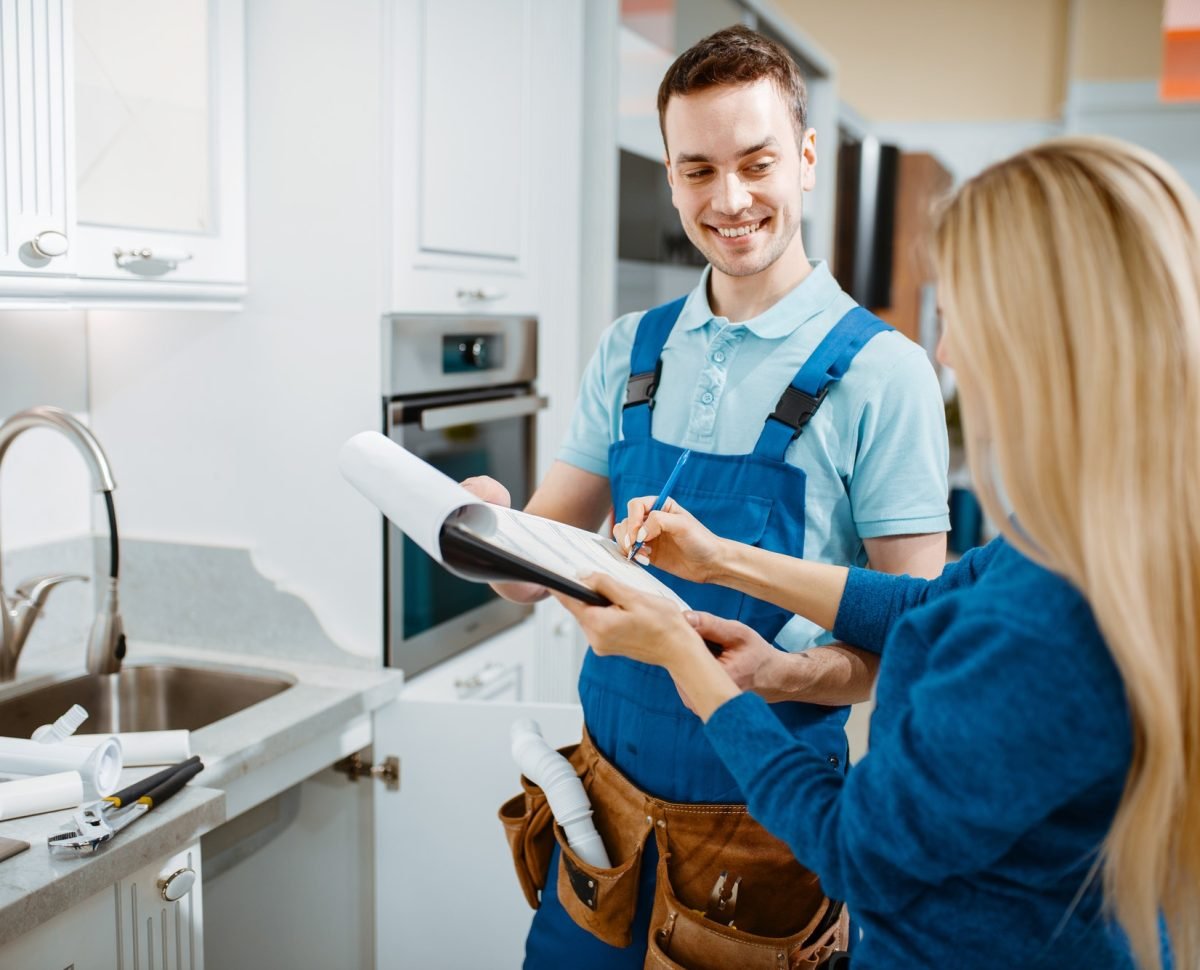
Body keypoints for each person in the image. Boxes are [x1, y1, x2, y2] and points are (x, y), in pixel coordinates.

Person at [556, 135, 1198, 969]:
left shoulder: (1044, 627)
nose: (951, 351)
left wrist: (684, 656)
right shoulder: (1094, 544)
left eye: (963, 314)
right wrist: (722, 562)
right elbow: (926, 606)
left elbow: (856, 846)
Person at [472, 25, 950, 968]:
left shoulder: (884, 376)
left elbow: (919, 649)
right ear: (669, 173)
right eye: (697, 170)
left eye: (756, 162)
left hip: (765, 834)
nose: (728, 201)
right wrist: (483, 535)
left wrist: (782, 674)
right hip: (596, 821)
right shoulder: (630, 349)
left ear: (807, 161)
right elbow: (535, 571)